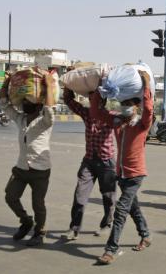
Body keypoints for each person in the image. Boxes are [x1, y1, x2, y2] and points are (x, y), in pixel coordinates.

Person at [92, 70, 153, 265]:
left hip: (136, 175)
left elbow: (149, 110)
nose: (125, 107)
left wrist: (145, 85)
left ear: (137, 106)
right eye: (123, 103)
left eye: (129, 104)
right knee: (133, 208)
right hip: (121, 174)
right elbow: (97, 113)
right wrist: (100, 92)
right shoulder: (118, 122)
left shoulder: (142, 124)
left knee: (121, 210)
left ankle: (111, 249)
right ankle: (146, 235)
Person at [0, 73, 55, 246]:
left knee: (38, 203)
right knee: (10, 197)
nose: (24, 104)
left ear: (38, 104)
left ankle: (39, 232)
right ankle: (26, 221)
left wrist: (48, 85)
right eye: (23, 101)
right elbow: (4, 105)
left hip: (40, 170)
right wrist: (7, 82)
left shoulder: (44, 122)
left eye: (27, 101)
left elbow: (50, 110)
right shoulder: (20, 119)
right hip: (21, 168)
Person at [61, 88, 117, 240]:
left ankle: (106, 225)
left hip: (107, 162)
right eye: (90, 98)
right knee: (80, 194)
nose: (90, 101)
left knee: (108, 197)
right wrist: (68, 87)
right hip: (89, 161)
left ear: (102, 101)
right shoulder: (87, 113)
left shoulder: (111, 117)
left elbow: (128, 118)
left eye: (94, 99)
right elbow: (69, 101)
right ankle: (74, 228)